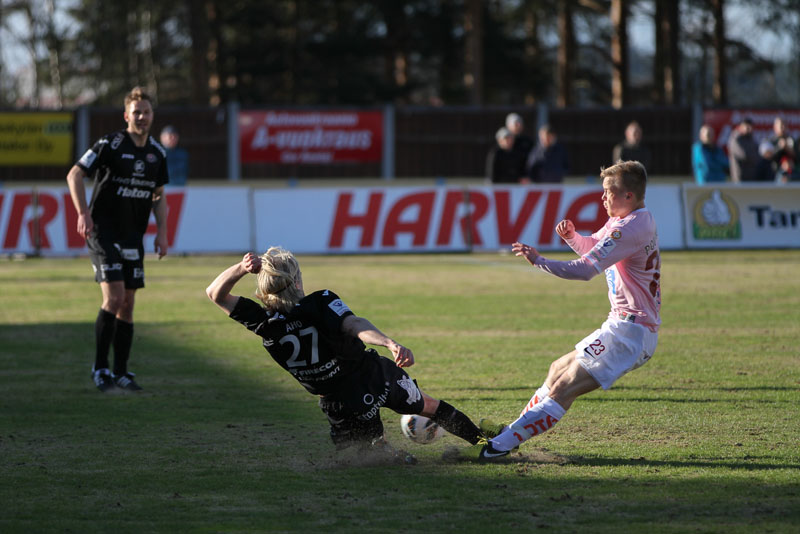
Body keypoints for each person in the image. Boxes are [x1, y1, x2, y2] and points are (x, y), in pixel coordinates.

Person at [458, 160, 661, 461]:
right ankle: (509, 433)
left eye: (608, 192)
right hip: (621, 325)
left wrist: (540, 261)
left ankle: (500, 446)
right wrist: (572, 238)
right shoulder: (626, 220)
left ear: (628, 196)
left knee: (564, 388)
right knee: (557, 370)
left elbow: (585, 270)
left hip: (631, 332)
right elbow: (594, 247)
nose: (603, 198)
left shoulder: (629, 228)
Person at [206, 247, 485, 464]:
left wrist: (241, 269)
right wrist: (389, 343)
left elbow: (215, 293)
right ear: (297, 279)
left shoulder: (263, 319)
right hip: (372, 376)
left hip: (337, 399)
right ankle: (485, 442)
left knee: (365, 454)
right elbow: (354, 325)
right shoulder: (320, 301)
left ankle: (406, 453)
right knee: (426, 407)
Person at [65, 86, 169, 393]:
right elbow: (74, 174)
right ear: (127, 115)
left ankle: (122, 372)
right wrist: (83, 213)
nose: (142, 117)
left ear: (152, 116)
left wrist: (162, 231)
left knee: (128, 303)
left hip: (132, 235)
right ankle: (100, 369)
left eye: (147, 112)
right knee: (113, 297)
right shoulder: (110, 143)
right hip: (103, 232)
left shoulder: (157, 154)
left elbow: (159, 195)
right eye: (136, 112)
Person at [727, 117, 759, 183]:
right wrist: (755, 156)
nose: (749, 129)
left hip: (752, 178)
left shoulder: (751, 139)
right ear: (740, 127)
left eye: (751, 127)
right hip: (739, 179)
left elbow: (758, 154)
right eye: (747, 127)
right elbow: (744, 155)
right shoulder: (735, 139)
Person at [506, 113, 534, 177]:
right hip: (508, 180)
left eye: (520, 123)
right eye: (515, 124)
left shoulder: (527, 141)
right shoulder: (503, 144)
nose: (518, 126)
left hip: (524, 179)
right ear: (508, 126)